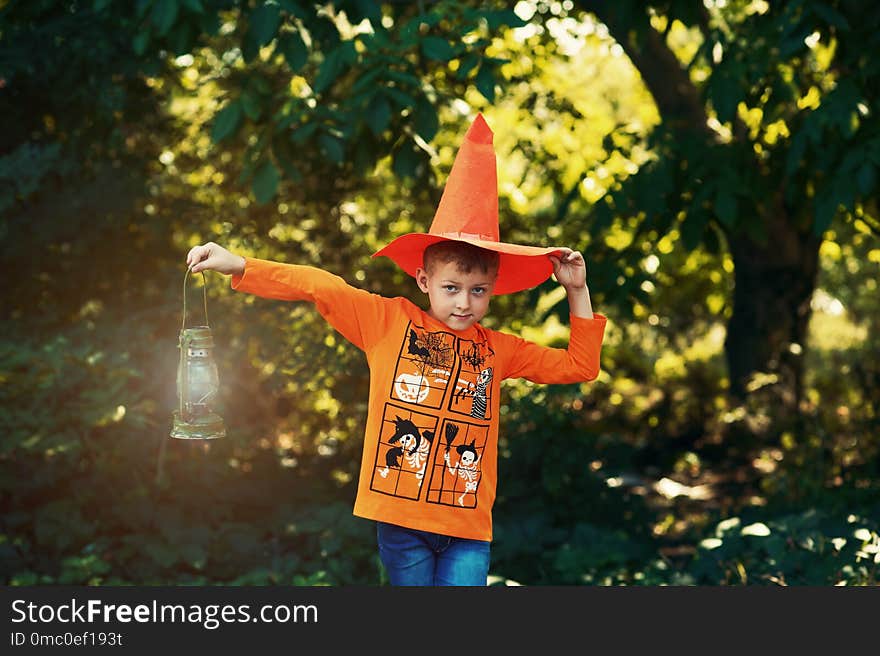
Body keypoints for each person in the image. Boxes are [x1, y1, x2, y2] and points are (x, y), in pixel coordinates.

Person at [185, 114, 607, 586]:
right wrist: (239, 264)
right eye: (451, 287)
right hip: (401, 519)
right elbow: (320, 285)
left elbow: (580, 366)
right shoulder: (387, 321)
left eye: (478, 291)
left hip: (467, 527)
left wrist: (577, 291)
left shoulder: (498, 350)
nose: (464, 303)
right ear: (424, 280)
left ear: (493, 290)